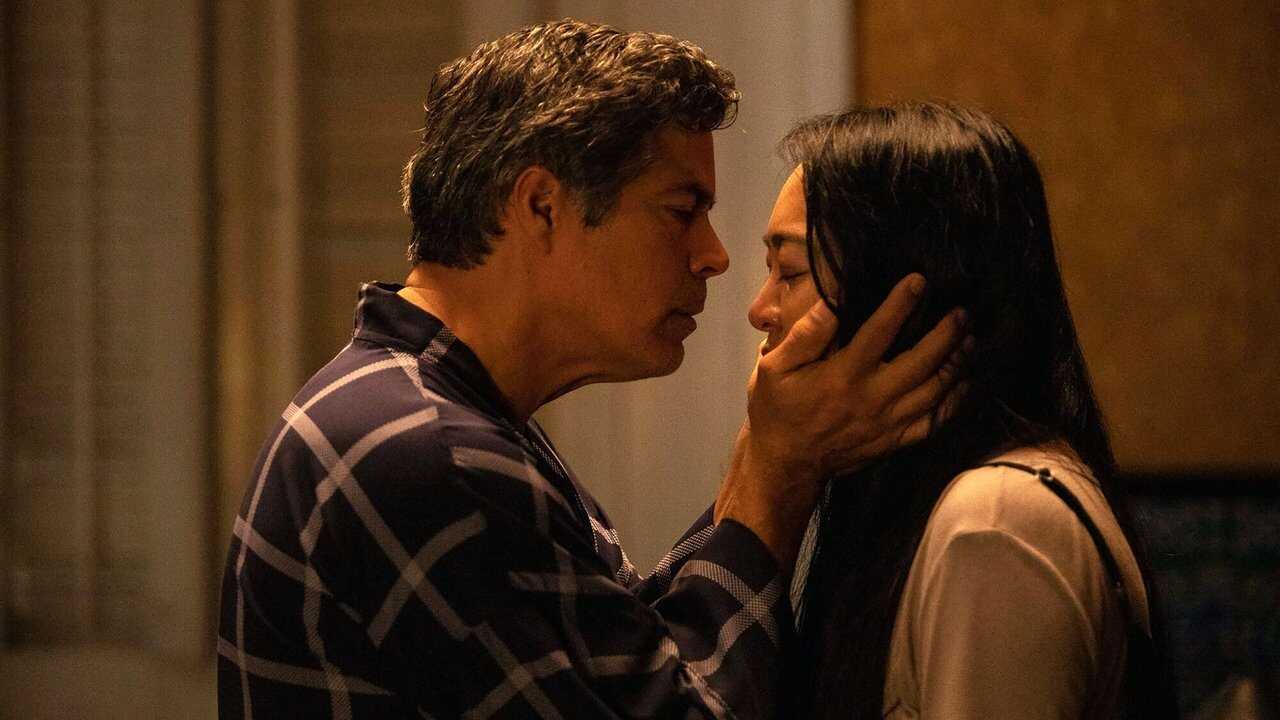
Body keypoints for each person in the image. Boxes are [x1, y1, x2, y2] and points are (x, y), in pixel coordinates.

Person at [216, 21, 967, 719]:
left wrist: (770, 451)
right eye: (681, 210)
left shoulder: (432, 412)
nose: (713, 256)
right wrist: (779, 472)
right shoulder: (429, 451)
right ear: (542, 205)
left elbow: (629, 664)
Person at [749, 101, 1175, 719]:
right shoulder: (950, 506)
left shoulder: (997, 522)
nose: (760, 310)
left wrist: (772, 468)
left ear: (901, 296)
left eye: (789, 272)